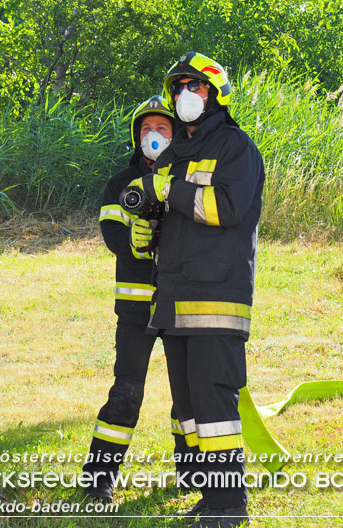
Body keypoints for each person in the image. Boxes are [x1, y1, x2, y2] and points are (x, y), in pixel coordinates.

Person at [128, 51, 265, 528]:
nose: (186, 95)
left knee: (215, 405)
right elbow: (167, 212)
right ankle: (211, 498)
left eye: (196, 86)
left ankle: (230, 507)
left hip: (216, 297)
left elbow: (225, 209)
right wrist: (148, 229)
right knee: (189, 408)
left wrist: (169, 192)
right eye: (179, 87)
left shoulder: (236, 148)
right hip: (173, 298)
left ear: (216, 93)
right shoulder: (173, 152)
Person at [82, 95, 191, 502]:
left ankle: (194, 478)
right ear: (136, 136)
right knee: (127, 393)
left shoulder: (187, 179)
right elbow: (113, 235)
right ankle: (98, 481)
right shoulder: (118, 183)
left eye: (162, 128)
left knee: (189, 397)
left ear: (176, 133)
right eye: (146, 129)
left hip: (182, 305)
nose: (154, 135)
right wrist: (138, 238)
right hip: (136, 309)